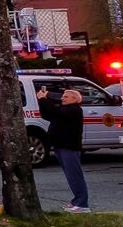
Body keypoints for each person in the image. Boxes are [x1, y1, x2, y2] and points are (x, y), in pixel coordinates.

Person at [36, 85, 90, 213]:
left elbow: (55, 112)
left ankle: (82, 204)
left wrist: (44, 99)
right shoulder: (64, 110)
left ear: (75, 99)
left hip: (69, 147)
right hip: (60, 146)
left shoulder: (74, 110)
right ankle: (77, 201)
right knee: (70, 176)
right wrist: (41, 101)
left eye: (66, 96)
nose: (62, 98)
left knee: (75, 175)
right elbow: (48, 114)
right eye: (63, 96)